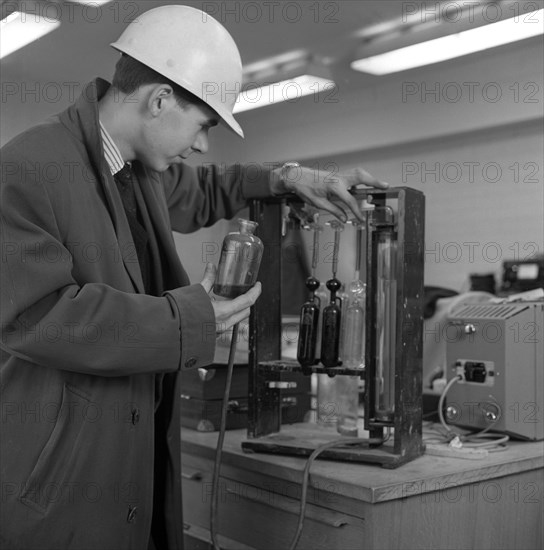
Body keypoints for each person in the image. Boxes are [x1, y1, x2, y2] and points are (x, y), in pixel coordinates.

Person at [0, 5, 387, 550]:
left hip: (134, 460)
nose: (204, 144)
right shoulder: (26, 168)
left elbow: (211, 189)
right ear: (159, 100)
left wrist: (290, 178)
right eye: (203, 124)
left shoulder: (138, 169)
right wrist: (189, 317)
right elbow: (41, 317)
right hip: (61, 480)